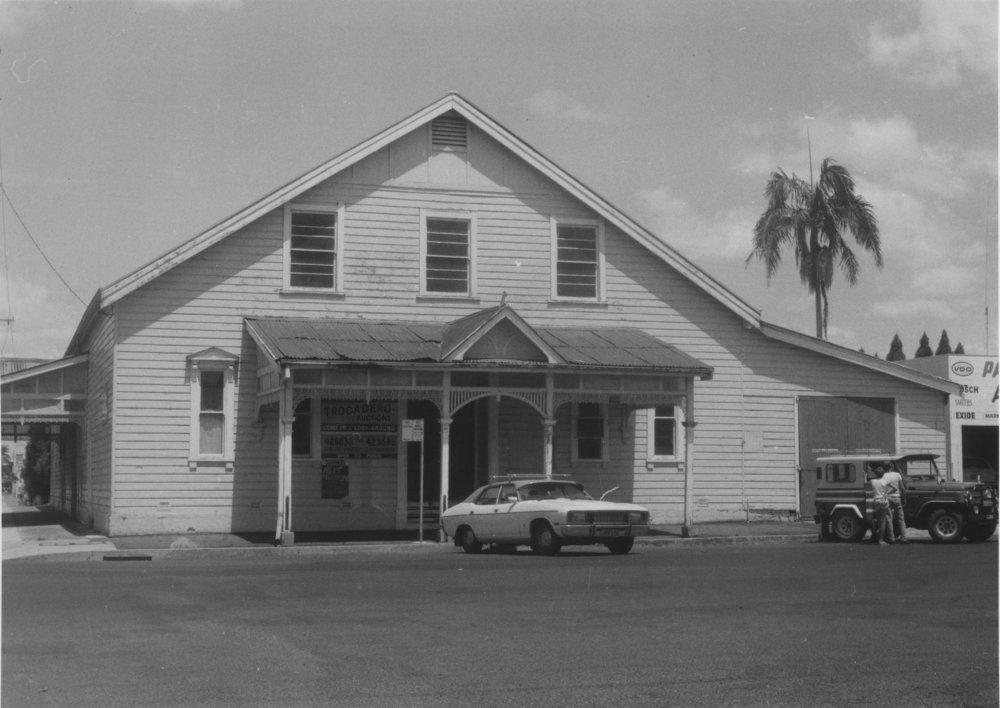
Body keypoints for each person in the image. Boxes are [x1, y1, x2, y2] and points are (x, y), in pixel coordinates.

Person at [881, 462, 909, 544]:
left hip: (888, 497)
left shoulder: (883, 476)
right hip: (897, 497)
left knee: (889, 518)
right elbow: (902, 488)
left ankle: (891, 538)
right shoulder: (897, 475)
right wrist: (904, 498)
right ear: (891, 466)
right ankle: (903, 538)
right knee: (901, 518)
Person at [868, 464, 894, 545]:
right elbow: (895, 488)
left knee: (874, 519)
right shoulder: (885, 481)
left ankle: (874, 535)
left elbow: (866, 481)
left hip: (876, 501)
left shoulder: (872, 482)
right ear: (883, 474)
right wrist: (886, 493)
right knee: (883, 521)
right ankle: (881, 540)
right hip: (884, 501)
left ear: (875, 474)